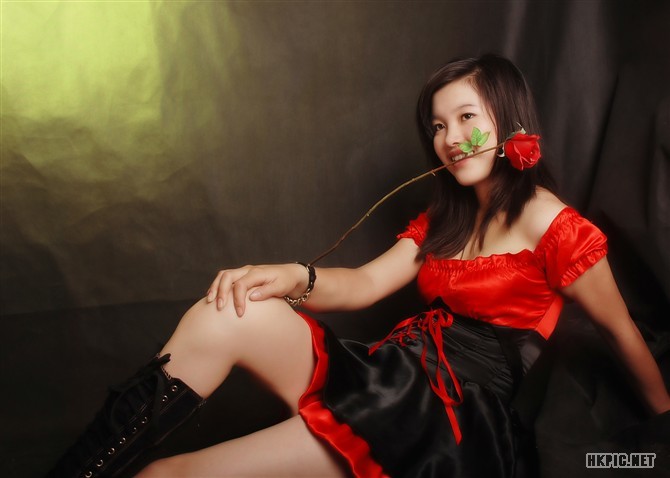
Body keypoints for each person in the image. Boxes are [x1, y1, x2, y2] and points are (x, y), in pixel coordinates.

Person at [47, 54, 670, 478]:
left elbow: (620, 332)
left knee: (164, 475)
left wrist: (663, 432)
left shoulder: (554, 224)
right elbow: (368, 282)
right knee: (229, 310)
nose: (450, 139)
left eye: (467, 118)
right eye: (437, 126)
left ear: (509, 121)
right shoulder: (446, 218)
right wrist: (293, 276)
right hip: (390, 373)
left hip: (442, 422)